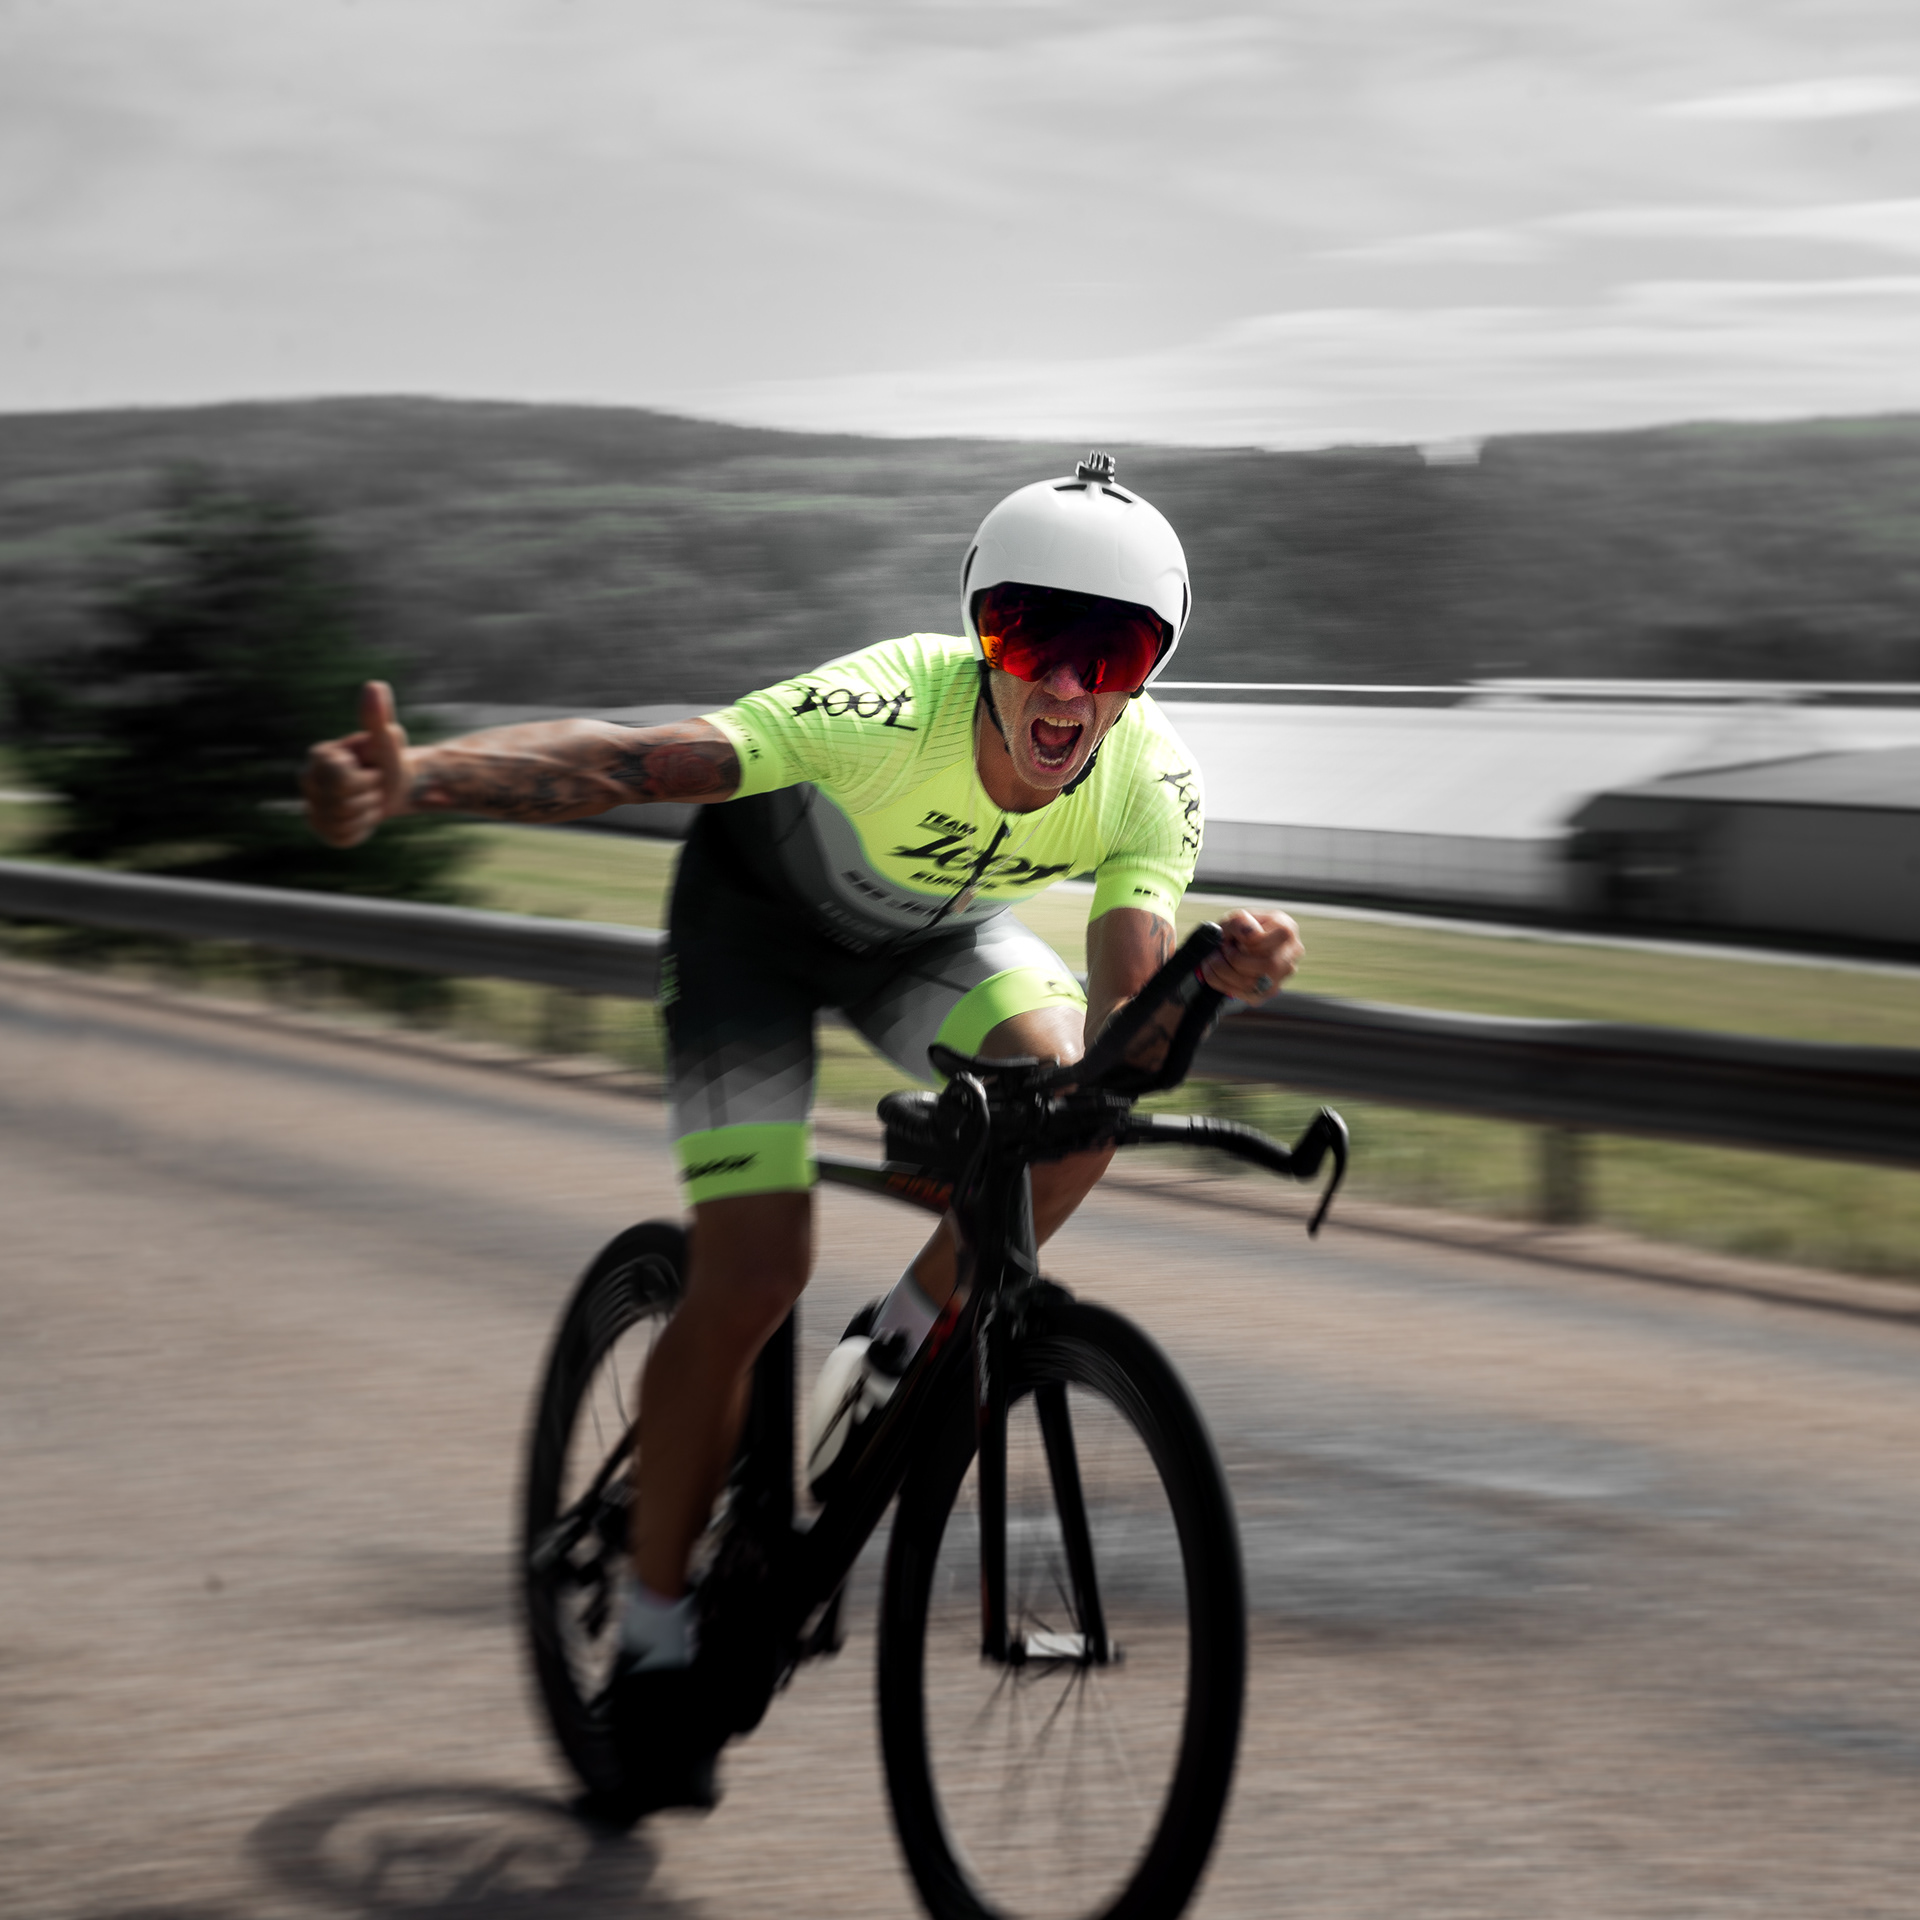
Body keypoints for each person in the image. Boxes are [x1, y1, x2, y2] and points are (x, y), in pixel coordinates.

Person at [301, 452, 1303, 1812]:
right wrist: (414, 780)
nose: (1068, 687)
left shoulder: (1151, 783)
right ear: (981, 634)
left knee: (1078, 1110)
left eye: (1111, 653)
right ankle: (654, 1631)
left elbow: (1128, 1018)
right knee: (759, 1268)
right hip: (753, 938)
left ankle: (896, 1346)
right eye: (1032, 640)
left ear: (1150, 670)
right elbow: (628, 761)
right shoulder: (881, 707)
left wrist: (1210, 984)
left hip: (931, 948)